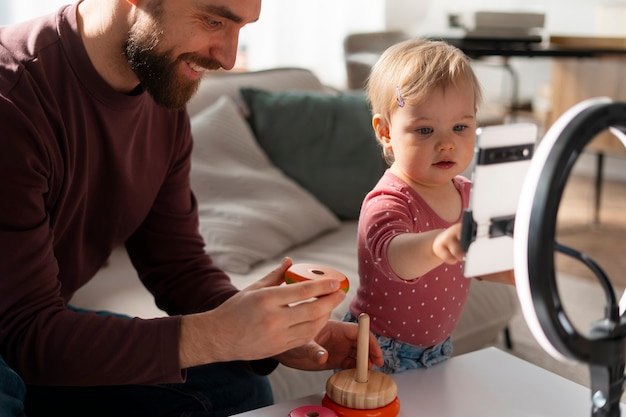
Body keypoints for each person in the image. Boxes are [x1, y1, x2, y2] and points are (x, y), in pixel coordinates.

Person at [0, 1, 384, 416]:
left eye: (241, 28)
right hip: (18, 332)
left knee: (232, 387)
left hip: (32, 320)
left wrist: (272, 333)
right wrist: (216, 335)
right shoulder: (13, 97)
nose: (227, 57)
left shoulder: (160, 93)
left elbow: (176, 266)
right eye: (213, 20)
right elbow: (24, 334)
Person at [345, 39, 515, 374]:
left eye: (460, 127)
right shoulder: (389, 200)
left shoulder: (467, 193)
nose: (447, 142)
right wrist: (438, 245)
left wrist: (516, 270)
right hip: (377, 352)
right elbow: (396, 258)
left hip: (437, 349)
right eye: (425, 130)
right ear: (385, 132)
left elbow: (475, 261)